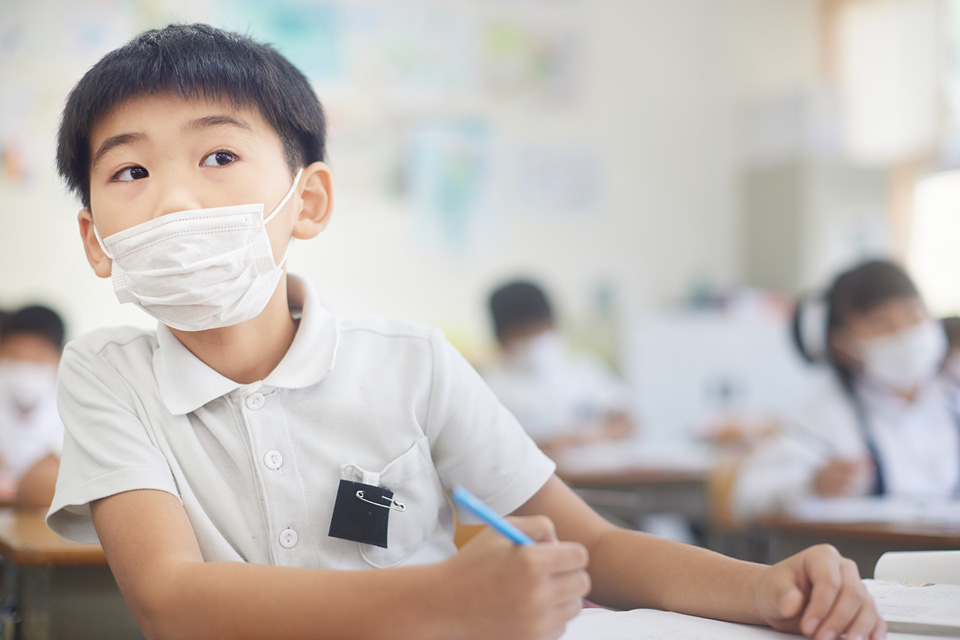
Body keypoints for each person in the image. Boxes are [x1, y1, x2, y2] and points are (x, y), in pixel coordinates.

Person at [46, 24, 883, 640]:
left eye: (219, 157)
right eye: (131, 170)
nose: (176, 200)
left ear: (309, 200)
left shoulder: (410, 362)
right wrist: (444, 600)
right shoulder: (106, 374)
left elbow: (590, 543)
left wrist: (763, 588)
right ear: (95, 239)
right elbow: (171, 601)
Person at [734, 259, 960, 518]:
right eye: (880, 323)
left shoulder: (951, 400)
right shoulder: (823, 418)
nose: (903, 333)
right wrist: (812, 484)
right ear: (842, 345)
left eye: (914, 316)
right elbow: (747, 493)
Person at [483, 280, 634, 452]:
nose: (534, 342)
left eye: (539, 330)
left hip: (602, 465)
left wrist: (595, 438)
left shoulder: (585, 369)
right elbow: (493, 442)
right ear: (501, 339)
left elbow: (627, 419)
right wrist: (545, 446)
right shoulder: (492, 386)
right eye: (522, 334)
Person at [0, 304, 66, 508]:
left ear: (59, 358)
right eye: (14, 355)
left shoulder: (74, 409)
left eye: (38, 357)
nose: (25, 365)